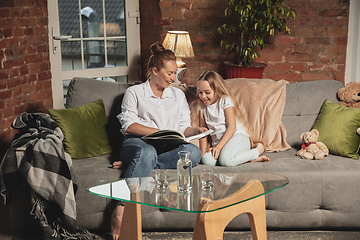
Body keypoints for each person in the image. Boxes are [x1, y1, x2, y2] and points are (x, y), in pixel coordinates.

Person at [110, 43, 205, 240]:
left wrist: (195, 130)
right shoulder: (134, 92)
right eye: (170, 73)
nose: (174, 78)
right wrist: (158, 132)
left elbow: (182, 127)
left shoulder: (178, 95)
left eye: (175, 73)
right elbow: (128, 125)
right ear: (155, 71)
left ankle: (138, 165)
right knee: (147, 152)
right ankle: (121, 206)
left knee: (194, 153)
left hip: (167, 147)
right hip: (137, 143)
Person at [196, 70, 269, 167]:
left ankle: (257, 151)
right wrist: (202, 155)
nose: (203, 96)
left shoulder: (225, 101)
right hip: (221, 144)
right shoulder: (202, 107)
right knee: (206, 160)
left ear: (217, 89)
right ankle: (245, 160)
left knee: (225, 160)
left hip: (237, 137)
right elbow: (203, 133)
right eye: (200, 92)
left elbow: (232, 127)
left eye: (207, 92)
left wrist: (218, 147)